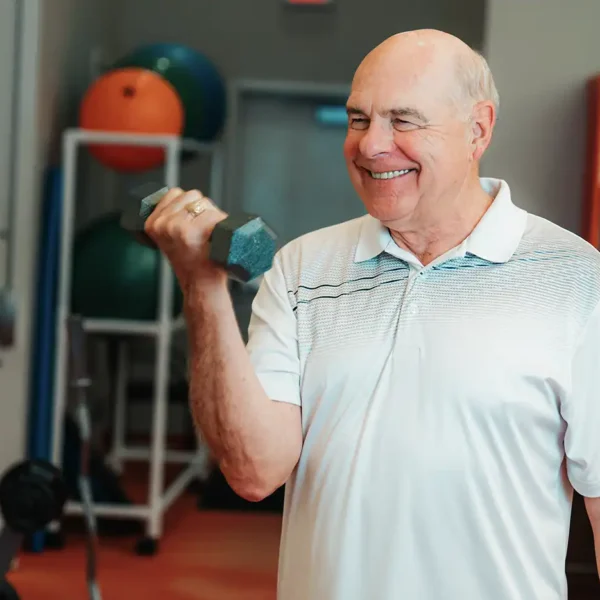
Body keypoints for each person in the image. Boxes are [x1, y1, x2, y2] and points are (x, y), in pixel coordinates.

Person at [145, 28, 600, 600]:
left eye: (403, 120)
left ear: (478, 129)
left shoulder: (575, 277)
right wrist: (201, 286)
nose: (370, 145)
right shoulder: (303, 267)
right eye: (359, 119)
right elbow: (254, 471)